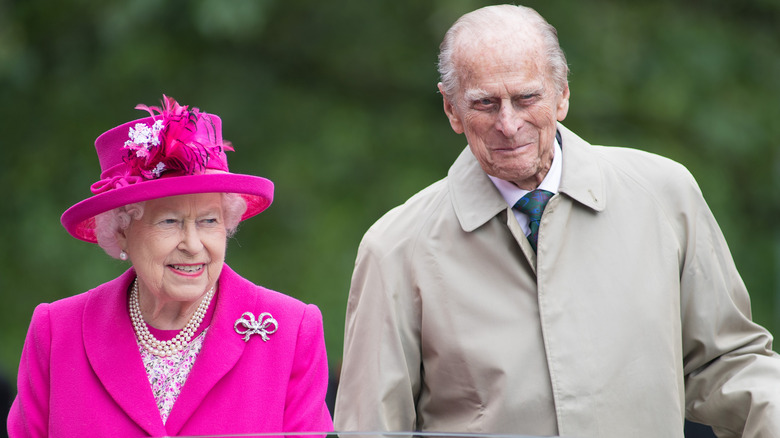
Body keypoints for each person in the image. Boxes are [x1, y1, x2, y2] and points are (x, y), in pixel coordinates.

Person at [333, 5, 780, 437]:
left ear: (562, 93)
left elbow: (727, 364)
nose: (508, 124)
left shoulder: (665, 195)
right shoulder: (396, 248)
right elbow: (370, 428)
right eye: (485, 103)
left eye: (526, 97)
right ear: (451, 109)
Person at [8, 95, 333, 437]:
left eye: (208, 221)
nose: (193, 245)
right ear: (121, 232)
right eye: (169, 222)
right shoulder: (58, 332)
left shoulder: (290, 330)